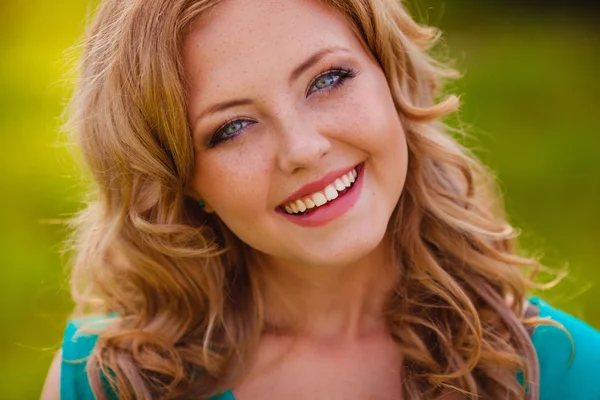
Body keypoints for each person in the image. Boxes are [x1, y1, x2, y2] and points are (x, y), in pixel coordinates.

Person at [40, 0, 600, 399]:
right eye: (233, 127)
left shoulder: (564, 372)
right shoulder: (106, 381)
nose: (303, 149)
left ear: (391, 76)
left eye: (327, 79)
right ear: (182, 180)